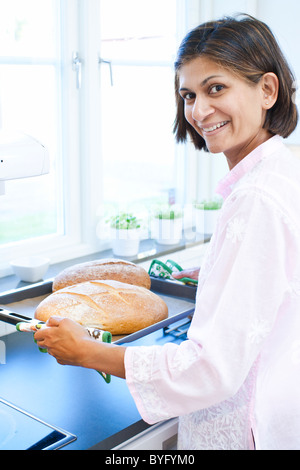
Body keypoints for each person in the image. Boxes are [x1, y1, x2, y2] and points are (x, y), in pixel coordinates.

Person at [35, 14, 300, 450]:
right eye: (188, 94)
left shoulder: (256, 200)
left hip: (247, 426)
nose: (198, 110)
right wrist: (212, 276)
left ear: (267, 90)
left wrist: (89, 352)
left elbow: (211, 369)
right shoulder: (279, 173)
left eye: (216, 88)